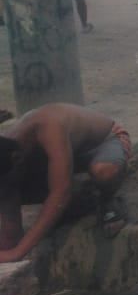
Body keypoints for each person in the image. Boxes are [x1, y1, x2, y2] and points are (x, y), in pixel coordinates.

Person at [0, 104, 131, 263]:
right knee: (10, 187)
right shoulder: (6, 155)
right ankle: (81, 201)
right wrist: (8, 247)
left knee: (103, 172)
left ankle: (108, 199)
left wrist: (18, 252)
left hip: (103, 142)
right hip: (65, 158)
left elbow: (60, 193)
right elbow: (9, 231)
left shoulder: (47, 126)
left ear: (17, 159)